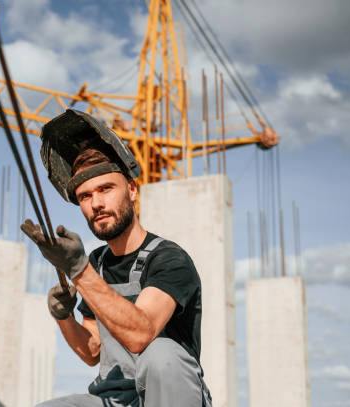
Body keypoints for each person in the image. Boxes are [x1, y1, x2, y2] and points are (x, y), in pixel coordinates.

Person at [21, 110, 212, 407]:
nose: (96, 203)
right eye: (85, 196)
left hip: (166, 397)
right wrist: (63, 316)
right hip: (113, 400)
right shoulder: (96, 262)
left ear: (132, 190)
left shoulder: (168, 259)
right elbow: (92, 351)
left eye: (106, 189)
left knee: (162, 354)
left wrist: (79, 271)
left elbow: (142, 333)